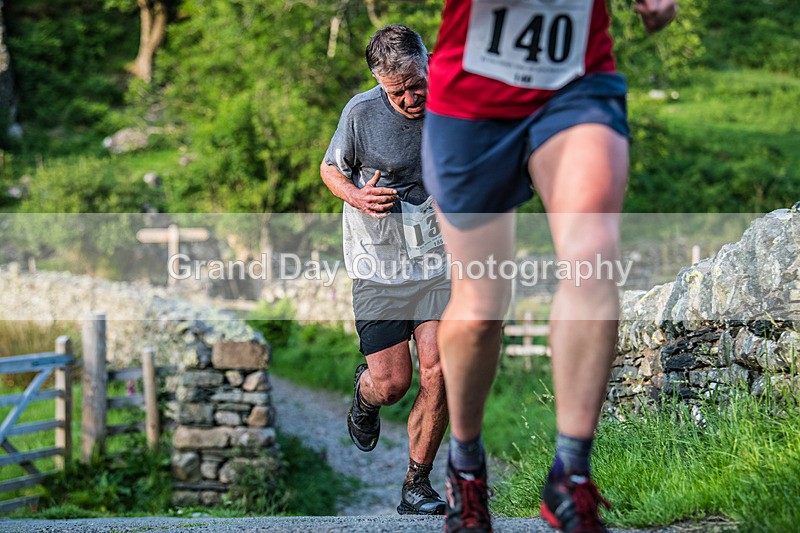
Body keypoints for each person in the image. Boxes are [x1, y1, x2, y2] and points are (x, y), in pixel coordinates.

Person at [421, 1, 678, 532]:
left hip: (576, 85)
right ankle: (465, 468)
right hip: (471, 98)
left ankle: (571, 475)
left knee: (591, 256)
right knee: (482, 304)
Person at [320, 24, 450, 515]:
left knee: (441, 368)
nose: (412, 97)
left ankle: (416, 484)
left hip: (438, 262)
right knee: (393, 383)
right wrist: (356, 195)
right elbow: (330, 169)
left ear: (427, 61)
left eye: (418, 83)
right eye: (399, 91)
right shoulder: (360, 113)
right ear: (380, 82)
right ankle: (366, 395)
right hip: (378, 264)